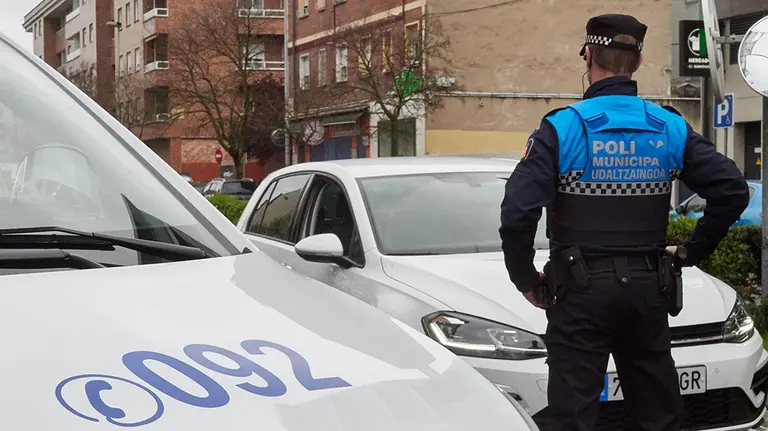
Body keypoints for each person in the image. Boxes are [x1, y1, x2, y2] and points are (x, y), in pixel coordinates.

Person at [499, 14, 750, 431]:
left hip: (578, 293)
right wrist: (691, 251)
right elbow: (732, 190)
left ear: (587, 55)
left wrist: (525, 278)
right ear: (638, 61)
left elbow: (517, 212)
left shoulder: (563, 128)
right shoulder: (668, 126)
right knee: (658, 414)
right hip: (648, 291)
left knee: (574, 416)